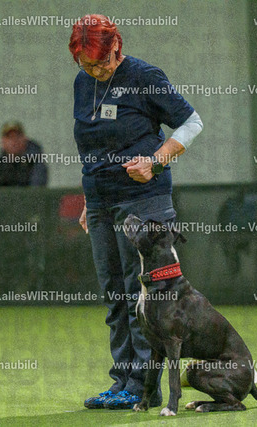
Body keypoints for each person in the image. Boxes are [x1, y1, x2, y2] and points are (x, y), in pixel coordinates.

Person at [69, 15, 204, 410]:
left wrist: (156, 161)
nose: (95, 71)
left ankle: (144, 388)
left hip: (143, 201)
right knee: (114, 296)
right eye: (86, 64)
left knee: (140, 298)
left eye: (101, 63)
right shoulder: (83, 82)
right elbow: (92, 145)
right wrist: (89, 198)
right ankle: (122, 382)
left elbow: (191, 122)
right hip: (101, 202)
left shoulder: (144, 76)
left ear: (117, 45)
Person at [0, 121, 48, 187]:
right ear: (3, 142)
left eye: (17, 136)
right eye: (9, 137)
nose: (14, 141)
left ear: (24, 139)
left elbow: (36, 188)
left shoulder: (35, 164)